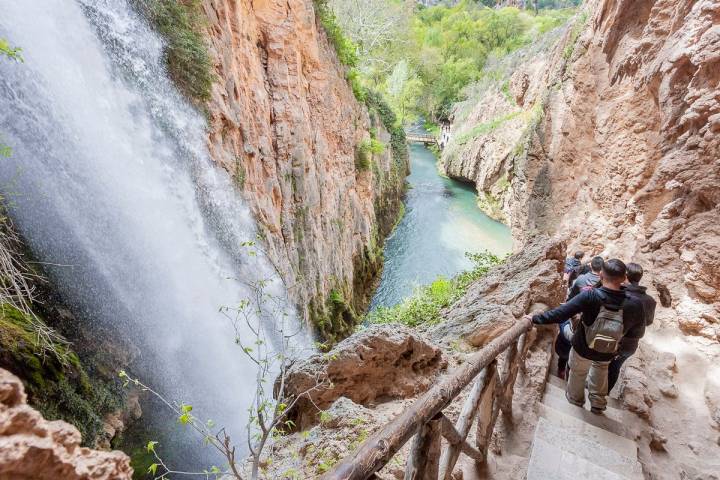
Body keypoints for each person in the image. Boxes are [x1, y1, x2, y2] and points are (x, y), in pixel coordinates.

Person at [527, 259, 644, 414]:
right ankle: (598, 404)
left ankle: (575, 402)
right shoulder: (635, 304)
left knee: (578, 372)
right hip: (608, 350)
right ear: (624, 278)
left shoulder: (590, 296)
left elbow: (561, 314)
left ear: (601, 274)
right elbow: (637, 333)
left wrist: (534, 319)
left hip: (582, 347)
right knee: (601, 370)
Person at [607, 262, 657, 391]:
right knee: (615, 368)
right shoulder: (650, 300)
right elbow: (649, 321)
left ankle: (593, 392)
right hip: (631, 344)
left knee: (601, 365)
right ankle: (604, 393)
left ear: (626, 275)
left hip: (613, 338)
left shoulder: (620, 293)